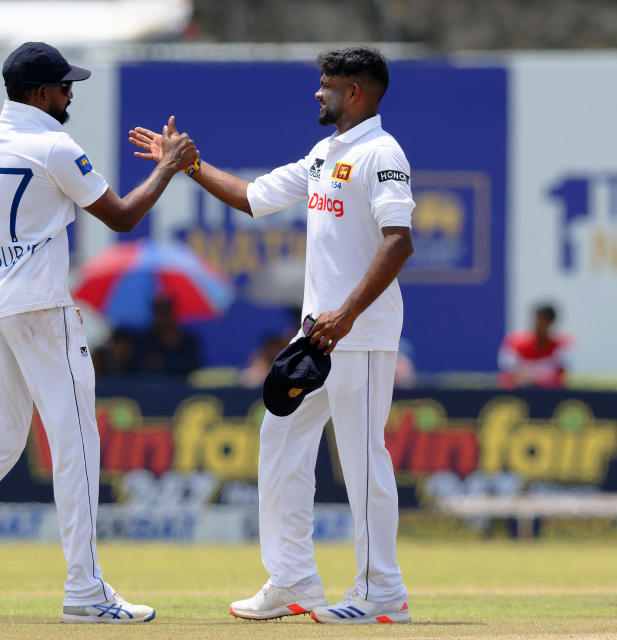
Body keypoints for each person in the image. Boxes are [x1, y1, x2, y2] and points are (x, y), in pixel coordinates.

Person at [0, 41, 198, 624]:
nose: (70, 94)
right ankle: (84, 592)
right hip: (42, 307)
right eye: (65, 87)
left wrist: (16, 247)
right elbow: (122, 217)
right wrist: (169, 168)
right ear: (40, 93)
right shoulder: (55, 143)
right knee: (76, 445)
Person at [131, 45, 415, 625]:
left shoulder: (382, 152)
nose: (318, 93)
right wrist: (185, 164)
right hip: (318, 338)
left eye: (327, 85)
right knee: (279, 439)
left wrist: (349, 314)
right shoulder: (324, 153)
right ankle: (294, 580)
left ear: (354, 93)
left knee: (363, 461)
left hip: (358, 334)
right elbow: (253, 197)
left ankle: (382, 593)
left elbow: (399, 240)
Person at [498, 303, 571, 388]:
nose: (539, 324)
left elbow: (561, 378)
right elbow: (507, 376)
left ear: (551, 322)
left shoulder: (561, 345)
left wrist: (535, 378)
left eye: (545, 320)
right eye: (538, 319)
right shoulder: (514, 342)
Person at [133, 296, 201, 377]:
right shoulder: (144, 339)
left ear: (172, 313)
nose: (163, 318)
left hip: (183, 387)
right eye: (159, 312)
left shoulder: (187, 339)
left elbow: (194, 364)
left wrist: (164, 362)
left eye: (166, 312)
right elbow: (136, 366)